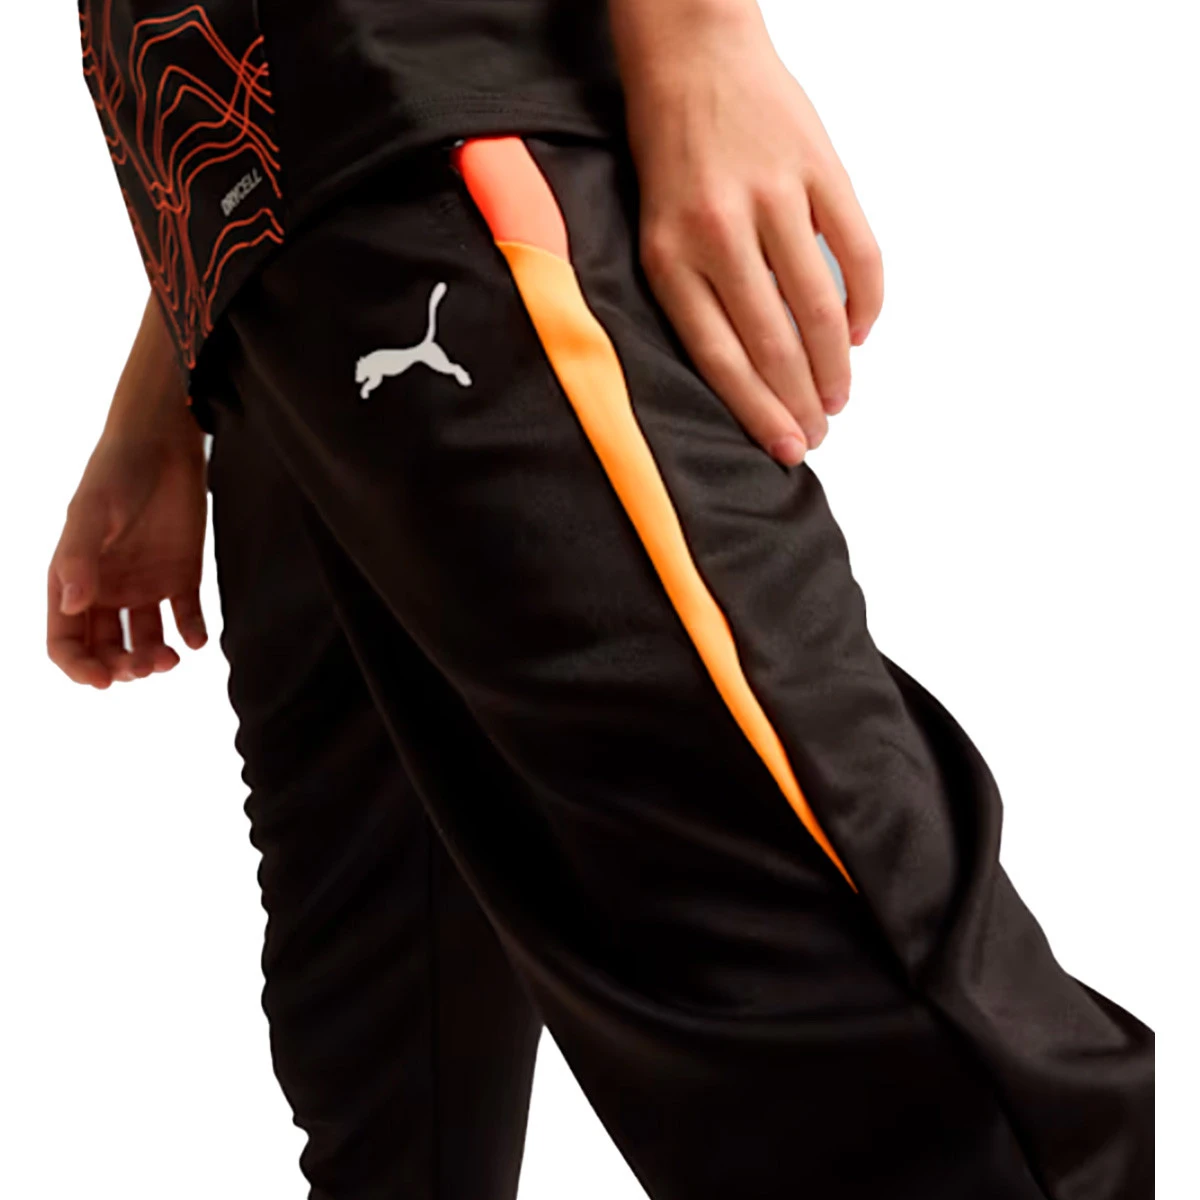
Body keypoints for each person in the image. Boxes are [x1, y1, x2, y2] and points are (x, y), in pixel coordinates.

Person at [50, 2, 1153, 1198]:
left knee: (873, 1036)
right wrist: (166, 386)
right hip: (264, 261)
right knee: (386, 1079)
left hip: (423, 111)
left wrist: (697, 35)